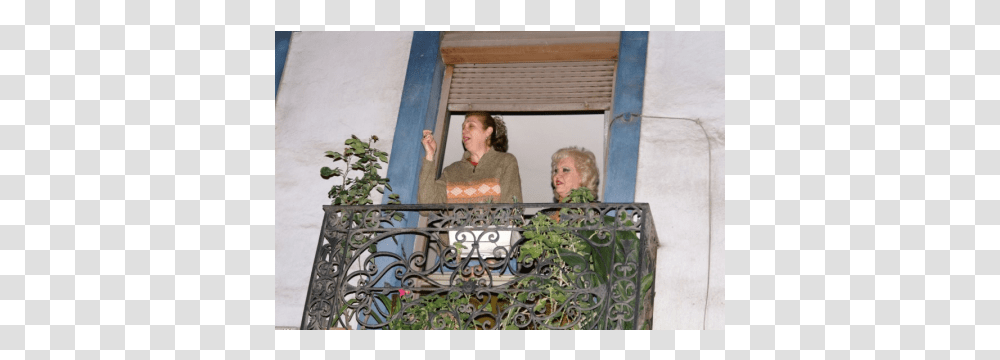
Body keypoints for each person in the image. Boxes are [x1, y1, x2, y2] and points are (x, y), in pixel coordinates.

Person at [419, 111, 523, 204]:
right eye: (463, 127)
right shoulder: (451, 171)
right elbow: (426, 205)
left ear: (488, 131)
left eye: (471, 126)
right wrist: (430, 155)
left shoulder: (505, 162)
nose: (464, 131)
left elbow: (512, 207)